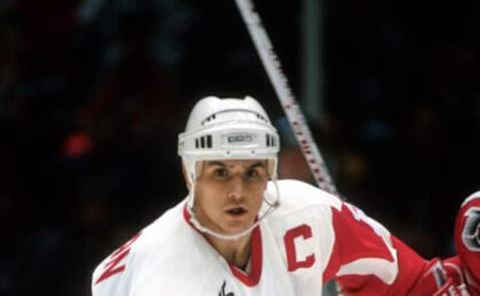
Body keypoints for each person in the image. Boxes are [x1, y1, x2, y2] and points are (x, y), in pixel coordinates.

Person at [91, 96, 479, 295]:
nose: (238, 191)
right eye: (220, 173)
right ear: (189, 175)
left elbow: (411, 286)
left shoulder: (307, 212)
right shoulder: (164, 280)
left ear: (271, 174)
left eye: (253, 171)